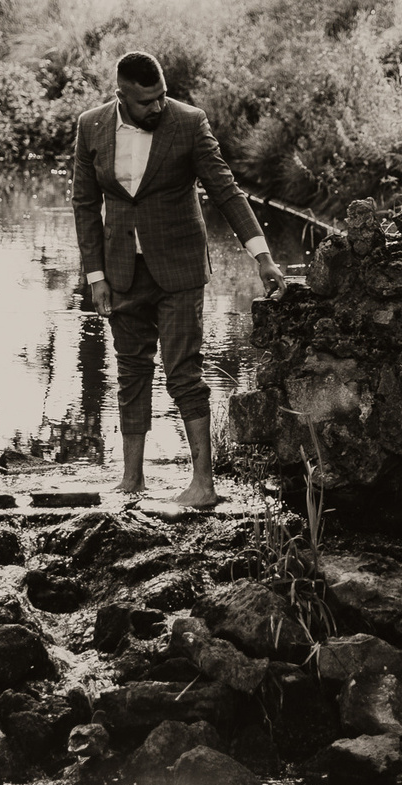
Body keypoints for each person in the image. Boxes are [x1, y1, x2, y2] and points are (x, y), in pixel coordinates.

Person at [74, 51, 285, 508]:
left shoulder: (188, 123)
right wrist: (96, 276)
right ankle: (131, 479)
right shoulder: (91, 126)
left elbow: (226, 189)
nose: (157, 107)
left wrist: (262, 257)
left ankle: (203, 485)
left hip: (179, 270)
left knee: (183, 371)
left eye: (161, 96)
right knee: (130, 371)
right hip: (121, 271)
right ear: (122, 96)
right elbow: (85, 205)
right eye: (146, 101)